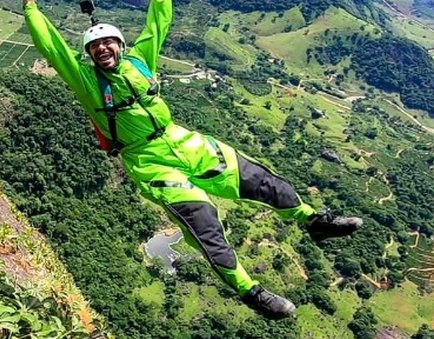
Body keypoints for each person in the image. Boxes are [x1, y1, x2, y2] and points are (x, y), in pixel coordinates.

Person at [23, 0, 363, 319]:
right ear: (89, 55)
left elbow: (159, 19)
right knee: (203, 222)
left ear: (121, 45)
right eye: (95, 47)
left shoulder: (141, 60)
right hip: (148, 161)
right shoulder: (86, 81)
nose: (102, 49)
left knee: (261, 180)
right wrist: (30, 6)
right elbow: (51, 46)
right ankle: (251, 292)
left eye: (108, 43)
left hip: (183, 141)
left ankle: (313, 221)